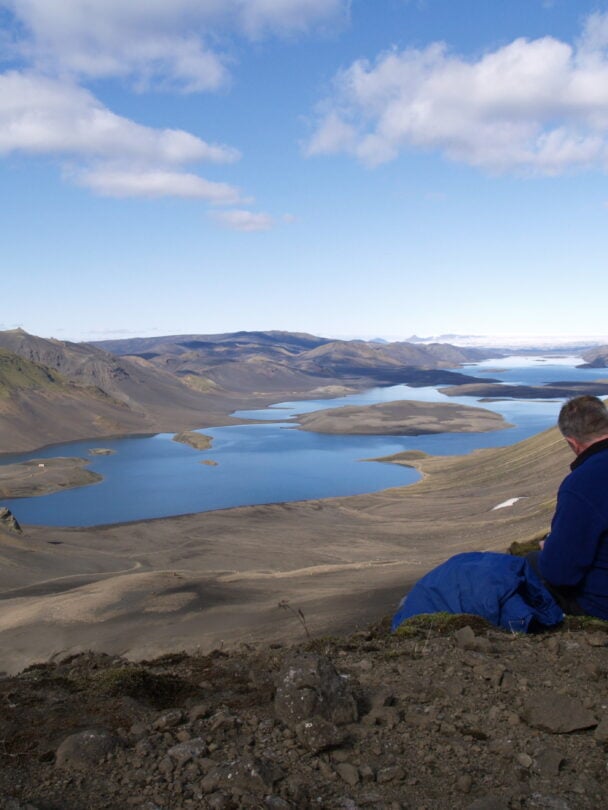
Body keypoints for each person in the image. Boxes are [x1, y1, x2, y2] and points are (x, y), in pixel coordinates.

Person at [531, 395, 608, 619]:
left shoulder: (583, 483)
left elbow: (560, 573)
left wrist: (550, 549)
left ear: (572, 443)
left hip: (599, 604)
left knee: (528, 566)